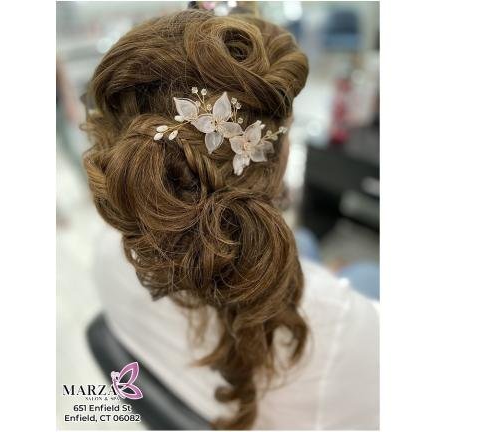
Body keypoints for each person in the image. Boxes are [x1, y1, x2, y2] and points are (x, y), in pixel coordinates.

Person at [83, 9, 378, 430]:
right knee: (367, 273)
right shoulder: (343, 332)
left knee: (308, 245)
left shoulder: (105, 250)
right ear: (276, 153)